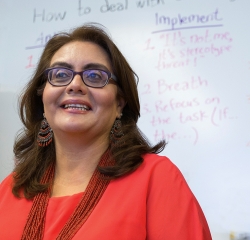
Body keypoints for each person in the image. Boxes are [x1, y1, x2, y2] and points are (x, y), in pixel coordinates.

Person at [0, 23, 212, 240]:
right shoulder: (9, 190)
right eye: (61, 74)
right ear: (42, 96)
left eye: (94, 76)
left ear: (119, 103)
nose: (74, 85)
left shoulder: (155, 178)